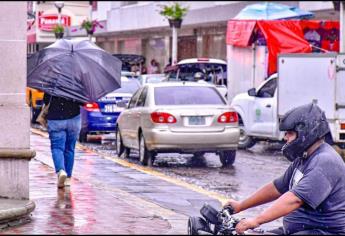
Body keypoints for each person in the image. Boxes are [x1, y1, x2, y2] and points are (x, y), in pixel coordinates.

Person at [225, 103, 345, 235]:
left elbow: (294, 199)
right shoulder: (304, 157)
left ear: (306, 133)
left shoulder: (325, 161)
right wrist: (241, 206)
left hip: (323, 232)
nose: (285, 138)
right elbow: (278, 187)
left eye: (290, 133)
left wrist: (256, 220)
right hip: (301, 229)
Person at [43, 93, 83, 188]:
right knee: (69, 148)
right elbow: (82, 101)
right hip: (73, 118)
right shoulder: (76, 83)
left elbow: (46, 100)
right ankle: (68, 178)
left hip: (56, 118)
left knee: (57, 148)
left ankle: (60, 170)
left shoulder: (54, 81)